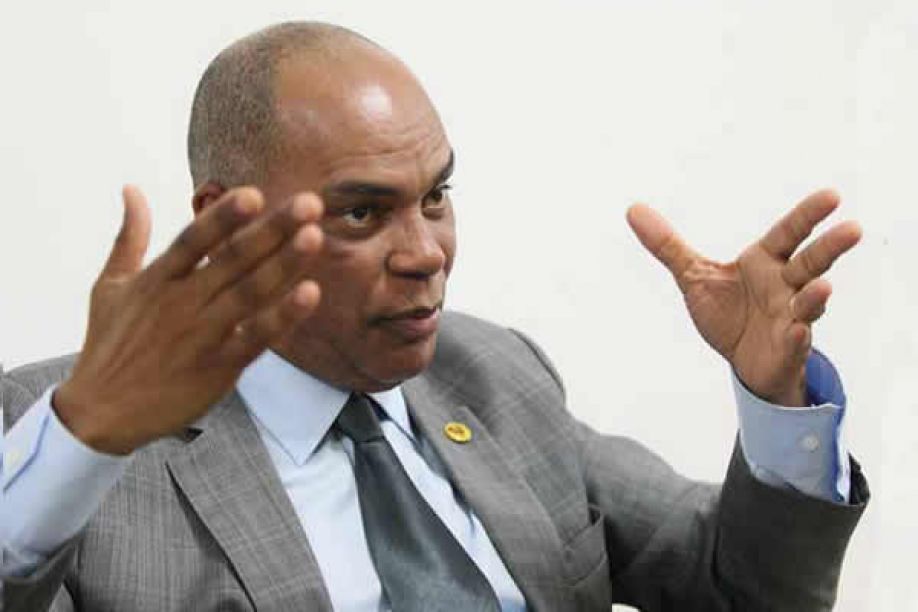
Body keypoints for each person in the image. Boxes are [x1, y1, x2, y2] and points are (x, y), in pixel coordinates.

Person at [1, 21, 867, 612]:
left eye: (436, 197)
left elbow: (739, 588)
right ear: (229, 220)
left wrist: (775, 401)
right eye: (362, 212)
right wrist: (79, 439)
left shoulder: (492, 374)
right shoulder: (65, 436)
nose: (425, 253)